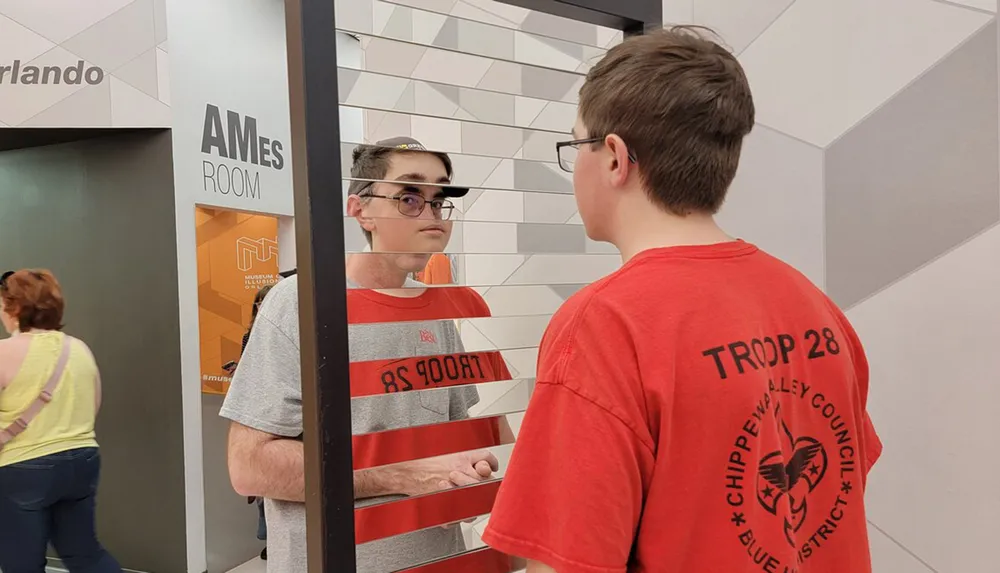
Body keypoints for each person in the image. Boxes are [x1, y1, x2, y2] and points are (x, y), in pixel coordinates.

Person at [482, 27, 883, 573]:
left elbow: (567, 561)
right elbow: (839, 483)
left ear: (616, 158)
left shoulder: (604, 325)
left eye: (577, 145)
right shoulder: (812, 303)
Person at [221, 137, 515, 572]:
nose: (431, 213)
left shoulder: (438, 309)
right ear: (359, 209)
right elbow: (249, 466)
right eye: (409, 197)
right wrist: (400, 475)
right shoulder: (301, 304)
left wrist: (466, 474)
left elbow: (454, 435)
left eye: (439, 199)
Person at [0, 269, 122, 573]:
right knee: (85, 554)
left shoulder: (5, 352)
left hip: (23, 469)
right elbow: (92, 405)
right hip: (82, 460)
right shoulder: (78, 349)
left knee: (22, 563)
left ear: (14, 308)